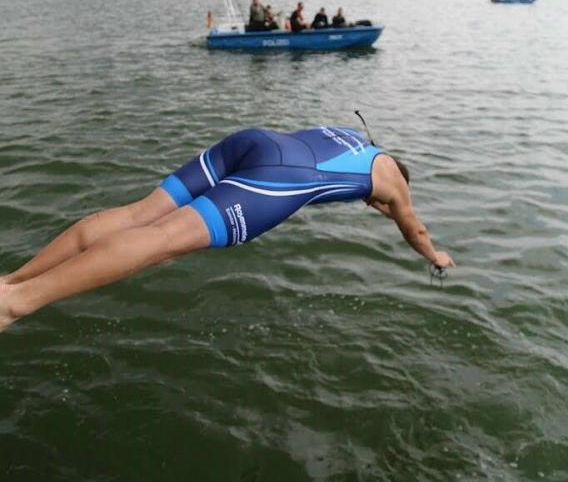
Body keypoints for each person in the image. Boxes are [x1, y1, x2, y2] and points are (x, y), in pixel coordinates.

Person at [0, 126, 454, 332]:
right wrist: (434, 255)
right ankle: (17, 303)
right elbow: (413, 229)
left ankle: (12, 281)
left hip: (252, 142)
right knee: (163, 242)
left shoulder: (353, 137)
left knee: (138, 216)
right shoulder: (394, 182)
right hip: (277, 179)